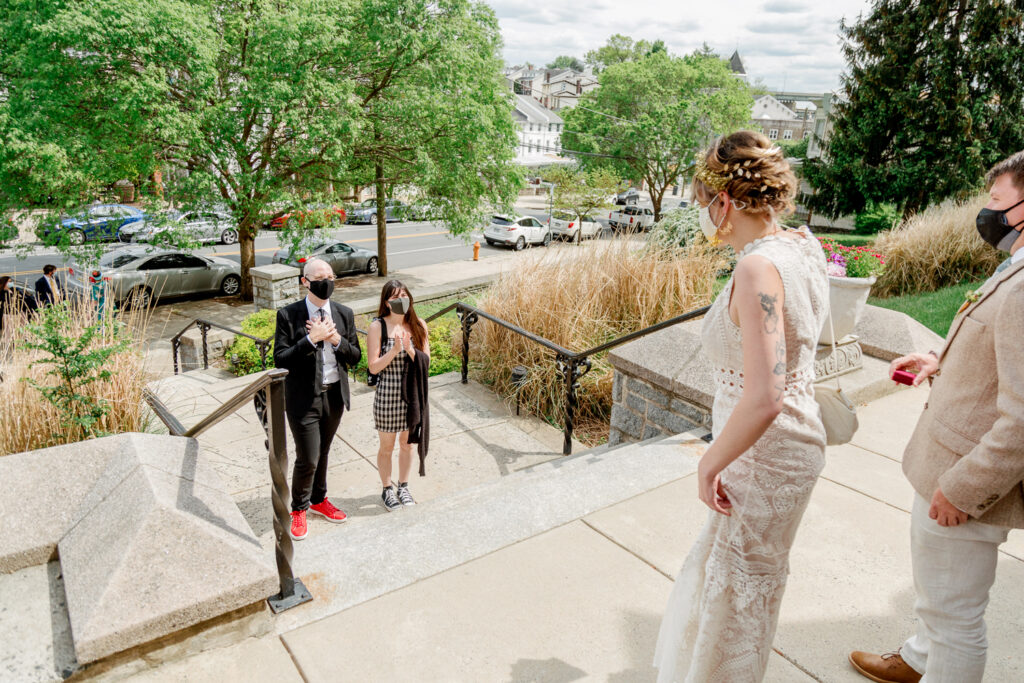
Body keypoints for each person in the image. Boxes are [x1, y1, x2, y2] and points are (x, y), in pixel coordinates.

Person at [653, 131, 829, 682]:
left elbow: (765, 395)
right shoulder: (803, 244)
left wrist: (709, 462)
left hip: (763, 454)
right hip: (784, 445)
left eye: (699, 201)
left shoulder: (757, 271)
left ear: (724, 202)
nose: (700, 214)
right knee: (741, 587)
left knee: (735, 597)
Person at [849, 152, 1024, 683]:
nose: (986, 211)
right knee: (939, 596)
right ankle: (919, 660)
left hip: (964, 478)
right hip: (951, 464)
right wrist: (937, 361)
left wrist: (965, 487)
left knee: (955, 617)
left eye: (996, 201)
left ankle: (933, 657)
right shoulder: (1015, 266)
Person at [273, 258, 361, 541]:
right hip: (303, 399)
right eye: (320, 277)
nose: (327, 281)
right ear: (305, 281)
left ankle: (319, 499)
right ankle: (298, 507)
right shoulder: (288, 315)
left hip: (334, 396)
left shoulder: (344, 313)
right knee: (308, 457)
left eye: (331, 276)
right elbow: (280, 359)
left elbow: (356, 356)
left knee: (323, 452)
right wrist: (311, 339)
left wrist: (336, 340)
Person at [366, 280, 430, 512]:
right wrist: (394, 350)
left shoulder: (418, 325)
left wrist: (410, 349)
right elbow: (373, 367)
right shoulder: (378, 327)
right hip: (388, 395)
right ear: (386, 303)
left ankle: (403, 486)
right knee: (387, 446)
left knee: (407, 444)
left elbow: (426, 362)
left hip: (413, 395)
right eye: (394, 297)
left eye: (403, 295)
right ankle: (387, 489)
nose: (400, 300)